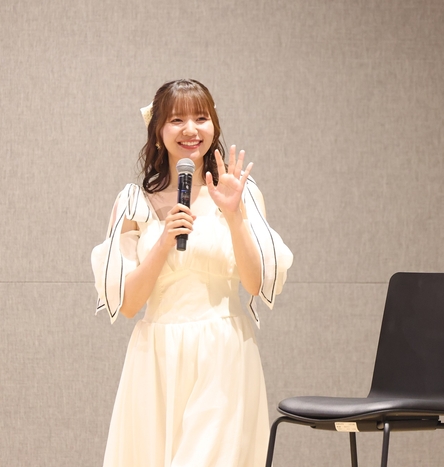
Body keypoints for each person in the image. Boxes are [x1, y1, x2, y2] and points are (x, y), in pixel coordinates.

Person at [91, 79, 293, 467]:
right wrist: (164, 241)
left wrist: (233, 216)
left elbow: (253, 284)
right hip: (156, 356)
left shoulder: (239, 193)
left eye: (201, 118)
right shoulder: (134, 202)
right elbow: (129, 305)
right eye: (176, 120)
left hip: (223, 349)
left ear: (213, 126)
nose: (190, 129)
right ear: (158, 131)